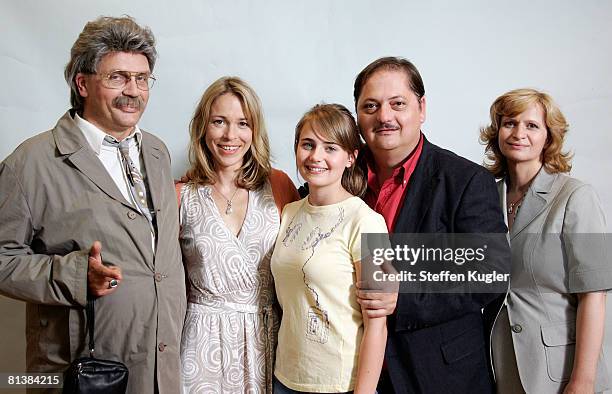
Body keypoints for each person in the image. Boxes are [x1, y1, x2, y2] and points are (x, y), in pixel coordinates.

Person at [0, 16, 185, 393]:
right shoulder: (31, 162)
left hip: (160, 364)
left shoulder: (157, 151)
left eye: (142, 78)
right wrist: (73, 275)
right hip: (81, 369)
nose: (133, 91)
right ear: (82, 83)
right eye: (117, 77)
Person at [353, 57, 509, 393]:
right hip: (353, 368)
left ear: (421, 108)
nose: (384, 116)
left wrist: (403, 298)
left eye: (398, 104)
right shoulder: (338, 178)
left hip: (439, 373)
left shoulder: (465, 181)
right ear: (357, 114)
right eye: (371, 106)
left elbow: (491, 272)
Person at [481, 88, 611, 393]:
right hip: (503, 366)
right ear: (497, 132)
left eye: (532, 125)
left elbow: (594, 296)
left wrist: (583, 380)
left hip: (562, 371)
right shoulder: (485, 198)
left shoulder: (576, 197)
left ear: (549, 137)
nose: (518, 133)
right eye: (510, 123)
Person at [178, 76, 299, 393]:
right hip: (199, 342)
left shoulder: (279, 185)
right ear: (204, 127)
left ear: (254, 130)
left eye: (242, 123)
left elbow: (306, 258)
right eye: (219, 121)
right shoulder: (181, 194)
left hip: (266, 339)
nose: (231, 135)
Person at [271, 103, 389, 393]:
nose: (316, 157)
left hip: (340, 384)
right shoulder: (288, 212)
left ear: (351, 157)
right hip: (285, 377)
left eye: (330, 148)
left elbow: (377, 324)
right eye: (307, 145)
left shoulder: (369, 222)